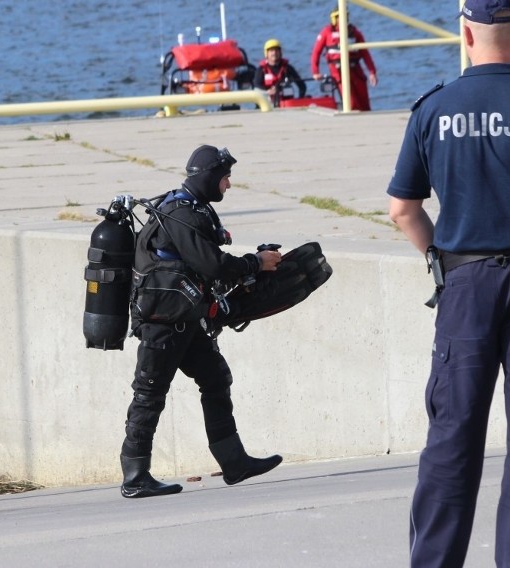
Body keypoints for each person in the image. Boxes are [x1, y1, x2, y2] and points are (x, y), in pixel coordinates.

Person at [386, 1, 510, 566]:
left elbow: (403, 207)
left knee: (452, 441)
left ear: (465, 32)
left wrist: (438, 260)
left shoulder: (435, 108)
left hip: (464, 286)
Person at [119, 145, 283, 498]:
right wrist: (256, 262)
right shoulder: (184, 214)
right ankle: (135, 475)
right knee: (149, 393)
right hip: (164, 321)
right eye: (225, 178)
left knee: (215, 378)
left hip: (183, 317)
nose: (228, 185)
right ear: (210, 177)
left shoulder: (184, 208)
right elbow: (214, 266)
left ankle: (234, 462)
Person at [310, 6, 378, 111]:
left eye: (344, 16)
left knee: (363, 98)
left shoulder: (355, 33)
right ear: (334, 19)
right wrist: (315, 71)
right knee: (350, 101)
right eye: (338, 17)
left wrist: (372, 72)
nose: (341, 19)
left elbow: (365, 53)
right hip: (338, 71)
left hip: (355, 69)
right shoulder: (326, 32)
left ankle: (367, 117)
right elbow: (316, 52)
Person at [254, 38, 307, 107]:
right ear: (266, 53)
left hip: (286, 105)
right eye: (271, 51)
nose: (274, 53)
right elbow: (256, 86)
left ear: (280, 52)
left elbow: (302, 86)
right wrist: (268, 91)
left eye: (276, 50)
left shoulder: (287, 68)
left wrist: (299, 101)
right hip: (267, 105)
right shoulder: (261, 70)